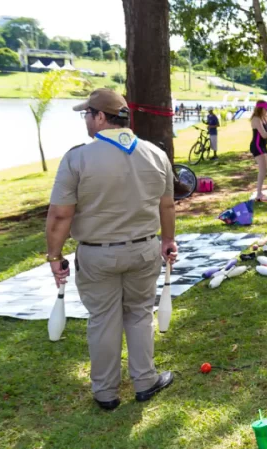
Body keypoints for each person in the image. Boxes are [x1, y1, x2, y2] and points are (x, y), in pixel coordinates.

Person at [46, 88, 176, 411]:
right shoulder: (155, 154)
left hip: (97, 254)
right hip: (144, 250)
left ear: (101, 117)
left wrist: (54, 255)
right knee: (140, 314)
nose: (86, 120)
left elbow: (61, 214)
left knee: (103, 319)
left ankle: (106, 392)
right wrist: (167, 241)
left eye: (87, 114)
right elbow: (168, 206)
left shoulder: (77, 158)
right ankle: (145, 380)